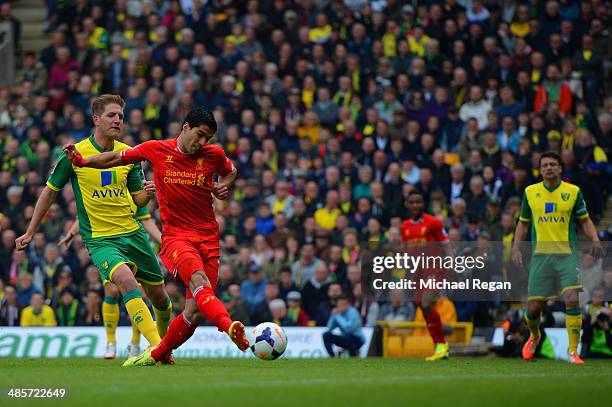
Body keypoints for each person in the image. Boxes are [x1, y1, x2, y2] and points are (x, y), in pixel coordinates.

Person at [63, 106, 249, 366]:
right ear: (185, 127)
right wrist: (82, 161)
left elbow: (230, 170)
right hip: (176, 237)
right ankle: (230, 327)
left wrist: (223, 185)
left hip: (208, 237)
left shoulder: (213, 154)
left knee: (194, 312)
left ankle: (155, 354)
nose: (202, 142)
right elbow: (115, 158)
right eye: (200, 134)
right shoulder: (156, 149)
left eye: (207, 138)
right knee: (198, 281)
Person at [15, 94, 172, 360]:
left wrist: (149, 192)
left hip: (133, 235)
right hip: (100, 239)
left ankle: (163, 342)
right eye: (111, 115)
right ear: (96, 119)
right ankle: (157, 348)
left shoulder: (129, 155)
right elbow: (49, 192)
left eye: (120, 116)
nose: (117, 120)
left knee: (160, 299)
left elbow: (138, 200)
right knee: (123, 280)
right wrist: (31, 231)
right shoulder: (74, 155)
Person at [512, 151, 603, 365]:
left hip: (567, 256)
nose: (549, 168)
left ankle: (573, 351)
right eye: (545, 165)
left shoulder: (572, 192)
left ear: (560, 168)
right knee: (534, 307)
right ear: (540, 169)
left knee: (572, 299)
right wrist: (516, 248)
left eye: (553, 164)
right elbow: (523, 223)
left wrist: (596, 239)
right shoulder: (530, 192)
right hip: (540, 257)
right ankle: (534, 335)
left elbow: (585, 220)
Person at [59, 203, 162, 358]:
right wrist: (72, 232)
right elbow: (86, 212)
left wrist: (163, 240)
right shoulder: (105, 191)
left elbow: (146, 220)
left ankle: (135, 342)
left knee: (138, 293)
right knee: (111, 290)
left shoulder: (134, 194)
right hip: (109, 246)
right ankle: (111, 342)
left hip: (133, 246)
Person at [400, 190, 451, 361]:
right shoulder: (405, 226)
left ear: (424, 204)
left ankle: (442, 345)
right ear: (407, 205)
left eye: (418, 202)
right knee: (423, 307)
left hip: (434, 268)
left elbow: (446, 244)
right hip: (417, 271)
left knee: (427, 302)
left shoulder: (433, 223)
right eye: (412, 202)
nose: (415, 205)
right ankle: (439, 346)